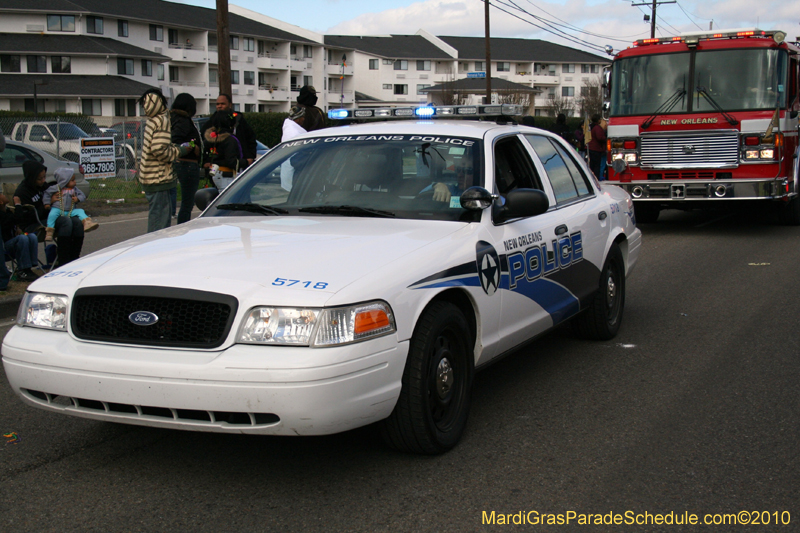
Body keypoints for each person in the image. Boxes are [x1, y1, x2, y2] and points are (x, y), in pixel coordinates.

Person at [138, 88, 192, 233]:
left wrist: (173, 146)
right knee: (160, 225)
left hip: (149, 176)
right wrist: (180, 150)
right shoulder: (162, 120)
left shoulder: (152, 120)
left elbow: (156, 146)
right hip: (158, 178)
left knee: (157, 218)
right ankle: (155, 250)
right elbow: (159, 150)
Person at [14, 160, 85, 266]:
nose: (43, 180)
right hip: (34, 224)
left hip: (51, 217)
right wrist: (49, 203)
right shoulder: (22, 192)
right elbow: (27, 217)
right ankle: (63, 261)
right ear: (31, 178)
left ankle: (74, 258)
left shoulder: (43, 186)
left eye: (44, 177)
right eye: (39, 178)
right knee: (66, 221)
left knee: (77, 222)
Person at [42, 167, 98, 242]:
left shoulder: (74, 189)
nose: (75, 182)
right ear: (64, 181)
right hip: (58, 209)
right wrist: (47, 203)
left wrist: (77, 199)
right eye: (72, 180)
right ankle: (49, 231)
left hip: (71, 210)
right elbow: (46, 194)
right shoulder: (55, 188)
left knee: (80, 211)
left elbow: (82, 195)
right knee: (52, 215)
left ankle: (87, 223)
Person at [170, 93, 202, 224]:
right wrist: (191, 147)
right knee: (187, 203)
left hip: (182, 164)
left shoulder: (173, 118)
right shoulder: (183, 121)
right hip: (188, 164)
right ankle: (182, 229)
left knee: (185, 202)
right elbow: (176, 140)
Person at [202, 94, 257, 165]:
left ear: (230, 104)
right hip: (217, 165)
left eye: (223, 104)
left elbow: (251, 138)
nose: (219, 106)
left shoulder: (238, 120)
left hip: (239, 162)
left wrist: (250, 157)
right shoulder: (212, 121)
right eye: (217, 104)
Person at [203, 110, 249, 191]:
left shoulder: (209, 139)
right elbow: (231, 161)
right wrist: (246, 162)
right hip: (227, 176)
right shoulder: (229, 140)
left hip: (215, 174)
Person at [0, 194, 40, 282]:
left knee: (31, 236)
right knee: (22, 238)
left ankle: (29, 267)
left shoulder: (7, 211)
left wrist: (17, 228)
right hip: (4, 247)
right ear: (1, 202)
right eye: (2, 195)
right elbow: (17, 218)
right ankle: (22, 269)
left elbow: (17, 221)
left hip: (16, 243)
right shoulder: (1, 214)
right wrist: (17, 204)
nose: (4, 194)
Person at [587, 114, 607, 180]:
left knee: (592, 165)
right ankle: (596, 178)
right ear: (598, 120)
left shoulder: (590, 127)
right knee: (597, 165)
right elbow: (599, 137)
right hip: (596, 149)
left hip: (590, 148)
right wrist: (605, 138)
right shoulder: (597, 128)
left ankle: (592, 178)